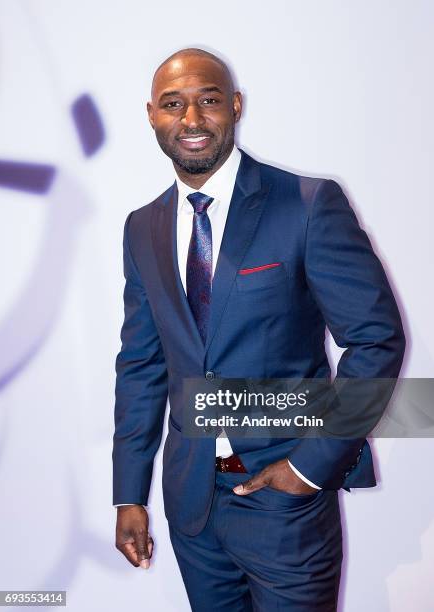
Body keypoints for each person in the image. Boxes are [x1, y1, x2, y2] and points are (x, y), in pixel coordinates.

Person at [113, 47, 405, 611]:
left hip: (284, 502)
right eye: (173, 104)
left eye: (208, 100)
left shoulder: (306, 203)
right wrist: (129, 493)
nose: (191, 119)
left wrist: (309, 468)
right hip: (192, 504)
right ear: (152, 114)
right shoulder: (142, 227)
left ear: (236, 105)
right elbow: (141, 366)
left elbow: (375, 339)